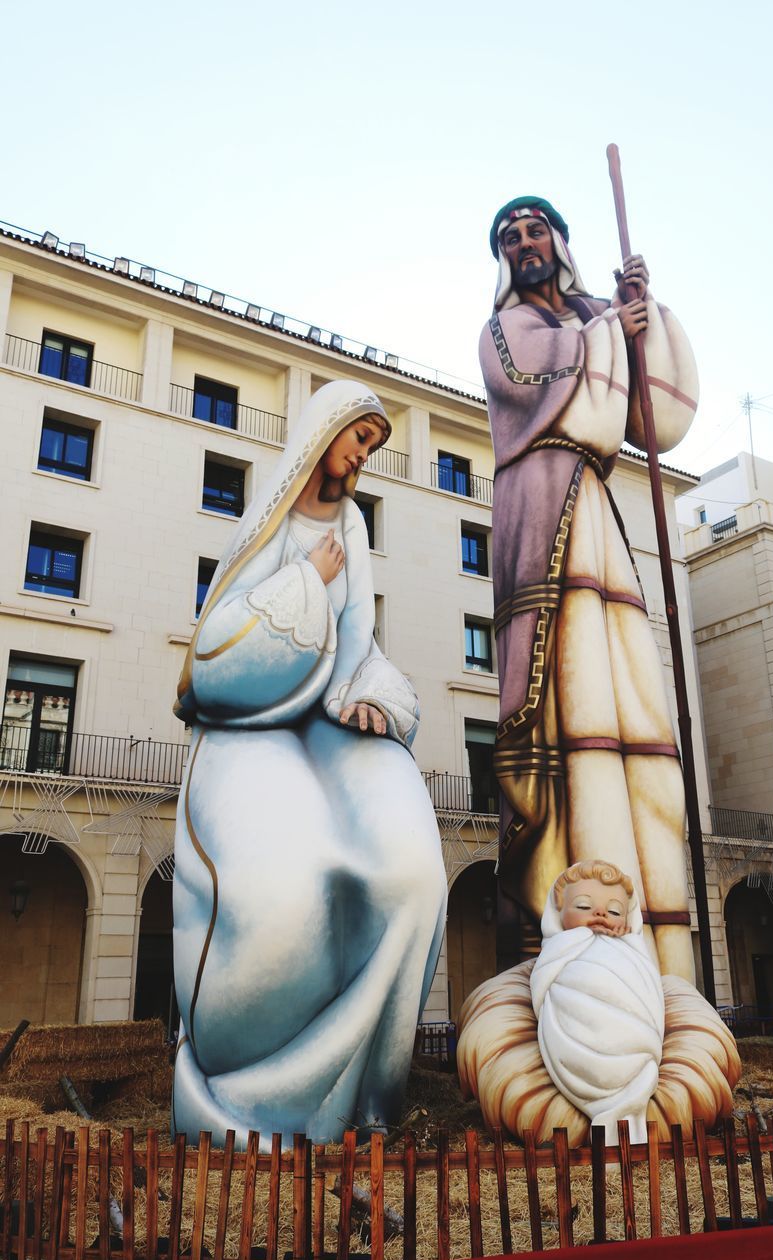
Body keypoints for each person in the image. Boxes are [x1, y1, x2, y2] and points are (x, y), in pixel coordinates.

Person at [171, 379, 447, 1150]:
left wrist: (365, 698)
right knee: (279, 890)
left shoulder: (352, 523)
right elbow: (216, 639)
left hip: (329, 709)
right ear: (322, 431)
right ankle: (254, 1089)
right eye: (358, 437)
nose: (362, 456)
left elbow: (357, 628)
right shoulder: (266, 520)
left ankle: (366, 1094)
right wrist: (307, 581)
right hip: (252, 720)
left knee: (411, 872)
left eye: (372, 445)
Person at [479, 196, 700, 981]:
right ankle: (559, 949)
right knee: (559, 710)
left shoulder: (589, 316)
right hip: (537, 507)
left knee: (623, 699)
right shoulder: (505, 329)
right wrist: (613, 329)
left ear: (559, 241)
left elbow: (650, 421)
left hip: (594, 512)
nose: (522, 243)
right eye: (509, 237)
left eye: (534, 230)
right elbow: (541, 373)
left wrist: (642, 311)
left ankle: (658, 963)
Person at [530, 860, 665, 1144]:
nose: (601, 913)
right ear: (558, 912)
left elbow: (648, 992)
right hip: (576, 1040)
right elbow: (542, 988)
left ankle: (629, 1089)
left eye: (615, 910)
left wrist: (628, 945)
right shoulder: (559, 950)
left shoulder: (632, 951)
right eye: (582, 905)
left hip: (634, 1045)